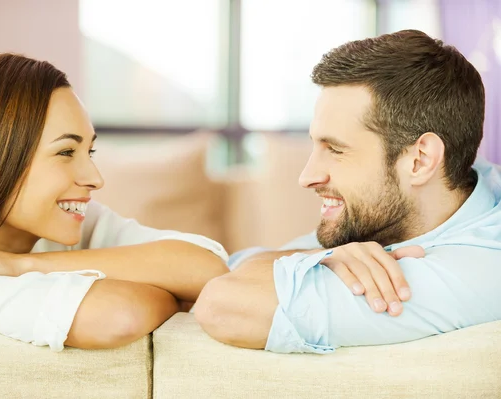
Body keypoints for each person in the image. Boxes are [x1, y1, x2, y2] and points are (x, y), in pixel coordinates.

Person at [194, 30, 501, 353]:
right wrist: (320, 257)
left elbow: (221, 305)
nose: (307, 177)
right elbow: (229, 268)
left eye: (336, 150)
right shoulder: (406, 208)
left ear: (420, 160)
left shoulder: (481, 270)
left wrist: (304, 264)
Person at [0, 53, 231, 351]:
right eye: (65, 152)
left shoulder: (77, 225)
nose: (95, 178)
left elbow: (209, 269)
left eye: (89, 151)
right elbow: (120, 314)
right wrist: (175, 292)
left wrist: (16, 265)